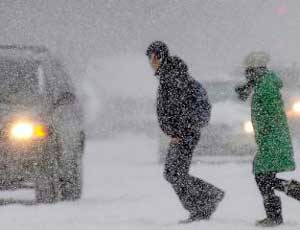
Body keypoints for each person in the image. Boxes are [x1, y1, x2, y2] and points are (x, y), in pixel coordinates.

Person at [146, 41, 225, 223]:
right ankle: (205, 201)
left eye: (151, 58)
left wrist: (179, 132)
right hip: (183, 132)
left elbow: (179, 107)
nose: (150, 63)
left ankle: (206, 200)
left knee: (174, 173)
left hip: (184, 134)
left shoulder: (172, 76)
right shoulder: (171, 74)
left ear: (157, 56)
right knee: (174, 172)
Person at [235, 51, 300, 227]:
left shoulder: (266, 87)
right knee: (264, 177)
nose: (246, 74)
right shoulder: (263, 83)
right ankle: (276, 213)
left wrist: (250, 88)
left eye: (248, 70)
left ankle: (277, 214)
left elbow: (269, 114)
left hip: (273, 139)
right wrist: (248, 87)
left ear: (255, 70)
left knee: (262, 177)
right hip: (271, 138)